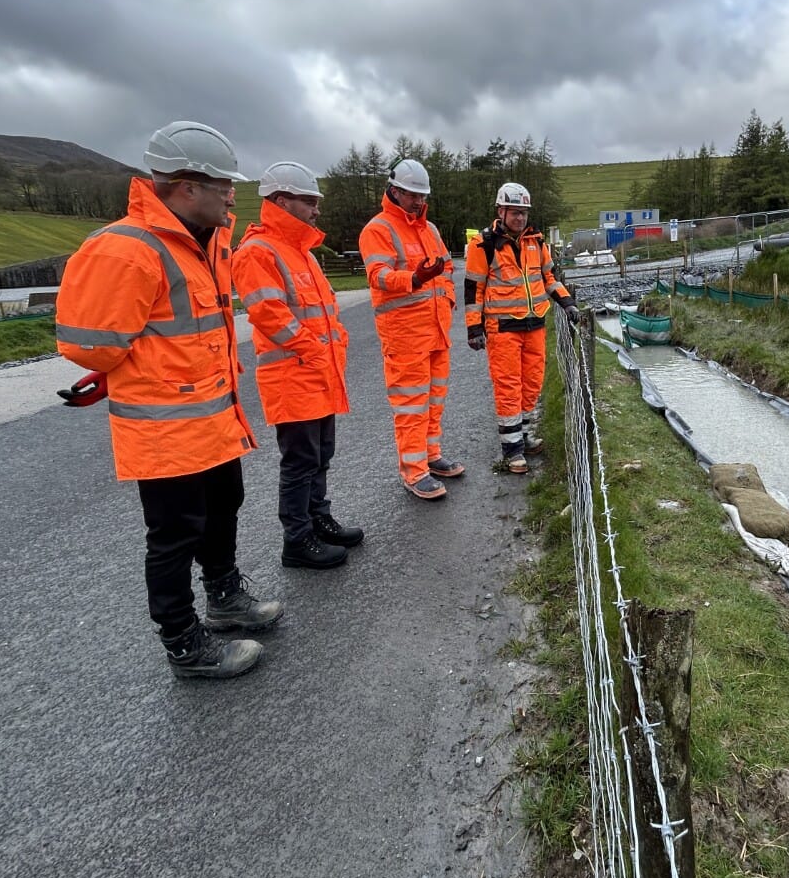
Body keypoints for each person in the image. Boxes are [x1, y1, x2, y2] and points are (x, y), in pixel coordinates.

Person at [56, 121, 281, 680]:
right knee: (175, 534)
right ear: (186, 186)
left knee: (224, 505)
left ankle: (225, 599)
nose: (234, 195)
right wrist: (133, 367)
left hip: (213, 416)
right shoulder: (128, 249)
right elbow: (91, 343)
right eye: (224, 185)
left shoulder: (206, 242)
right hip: (164, 425)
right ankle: (184, 644)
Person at [233, 161, 362, 570]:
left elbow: (320, 315)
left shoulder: (299, 252)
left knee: (320, 455)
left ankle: (317, 519)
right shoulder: (258, 252)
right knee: (301, 461)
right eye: (310, 201)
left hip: (317, 372)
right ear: (281, 201)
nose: (317, 210)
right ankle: (297, 539)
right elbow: (269, 315)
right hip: (294, 374)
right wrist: (314, 350)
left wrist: (328, 350)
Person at [357, 158, 464, 500]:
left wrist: (446, 297)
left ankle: (431, 457)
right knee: (410, 407)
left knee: (433, 402)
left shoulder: (429, 230)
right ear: (395, 191)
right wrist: (416, 279)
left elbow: (446, 266)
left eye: (422, 195)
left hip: (436, 331)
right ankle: (414, 471)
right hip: (405, 336)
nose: (418, 201)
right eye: (412, 195)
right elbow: (379, 276)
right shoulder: (378, 230)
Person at [464, 182, 578, 472]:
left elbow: (548, 277)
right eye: (515, 213)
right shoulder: (484, 244)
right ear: (500, 211)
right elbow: (474, 290)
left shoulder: (536, 242)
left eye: (524, 213)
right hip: (502, 329)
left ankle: (524, 436)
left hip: (535, 325)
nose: (520, 218)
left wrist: (567, 304)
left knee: (532, 384)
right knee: (508, 387)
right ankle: (512, 449)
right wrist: (473, 328)